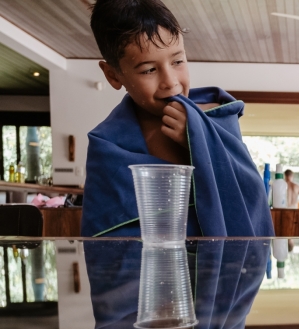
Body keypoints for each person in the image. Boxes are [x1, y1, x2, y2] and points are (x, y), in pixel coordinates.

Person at [81, 0, 273, 238]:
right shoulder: (108, 145)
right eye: (149, 70)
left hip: (224, 268)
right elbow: (103, 238)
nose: (170, 81)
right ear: (113, 75)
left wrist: (198, 141)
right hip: (148, 271)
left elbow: (250, 199)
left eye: (177, 61)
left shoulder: (216, 118)